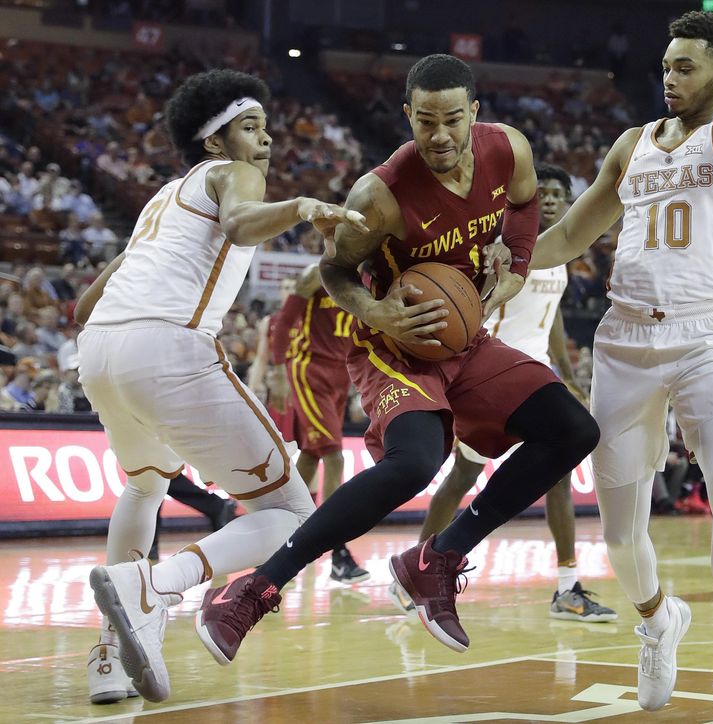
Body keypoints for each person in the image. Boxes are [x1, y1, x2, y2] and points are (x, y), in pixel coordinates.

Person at [196, 53, 600, 663]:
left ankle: (436, 556)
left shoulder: (509, 150)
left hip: (465, 339)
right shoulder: (379, 193)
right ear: (408, 115)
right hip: (395, 345)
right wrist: (378, 312)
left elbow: (522, 208)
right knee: (417, 462)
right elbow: (334, 271)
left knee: (572, 430)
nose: (439, 135)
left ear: (475, 115)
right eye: (425, 121)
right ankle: (254, 589)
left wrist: (515, 267)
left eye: (453, 120)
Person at [529, 6, 713, 722]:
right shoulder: (631, 145)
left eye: (684, 65)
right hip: (624, 341)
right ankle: (659, 621)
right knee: (623, 536)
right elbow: (569, 232)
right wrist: (495, 268)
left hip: (706, 338)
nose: (669, 75)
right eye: (665, 64)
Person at [80, 69, 367, 704]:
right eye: (248, 126)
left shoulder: (160, 201)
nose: (263, 139)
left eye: (265, 126)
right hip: (165, 347)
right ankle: (158, 587)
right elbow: (239, 224)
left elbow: (86, 304)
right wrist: (298, 208)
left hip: (99, 349)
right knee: (292, 512)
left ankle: (110, 653)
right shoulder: (234, 174)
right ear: (215, 142)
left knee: (143, 486)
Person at [388, 164, 615, 623]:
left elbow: (550, 315)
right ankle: (415, 570)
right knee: (460, 480)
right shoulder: (504, 249)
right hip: (496, 377)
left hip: (535, 378)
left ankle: (568, 588)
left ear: (569, 204)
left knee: (557, 479)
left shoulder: (559, 253)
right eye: (543, 192)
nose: (549, 199)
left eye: (558, 194)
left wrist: (566, 370)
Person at [267, 263, 369, 584]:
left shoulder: (366, 278)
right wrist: (278, 372)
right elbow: (283, 322)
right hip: (309, 368)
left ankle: (275, 526)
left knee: (311, 456)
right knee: (333, 457)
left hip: (341, 374)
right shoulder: (316, 273)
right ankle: (338, 553)